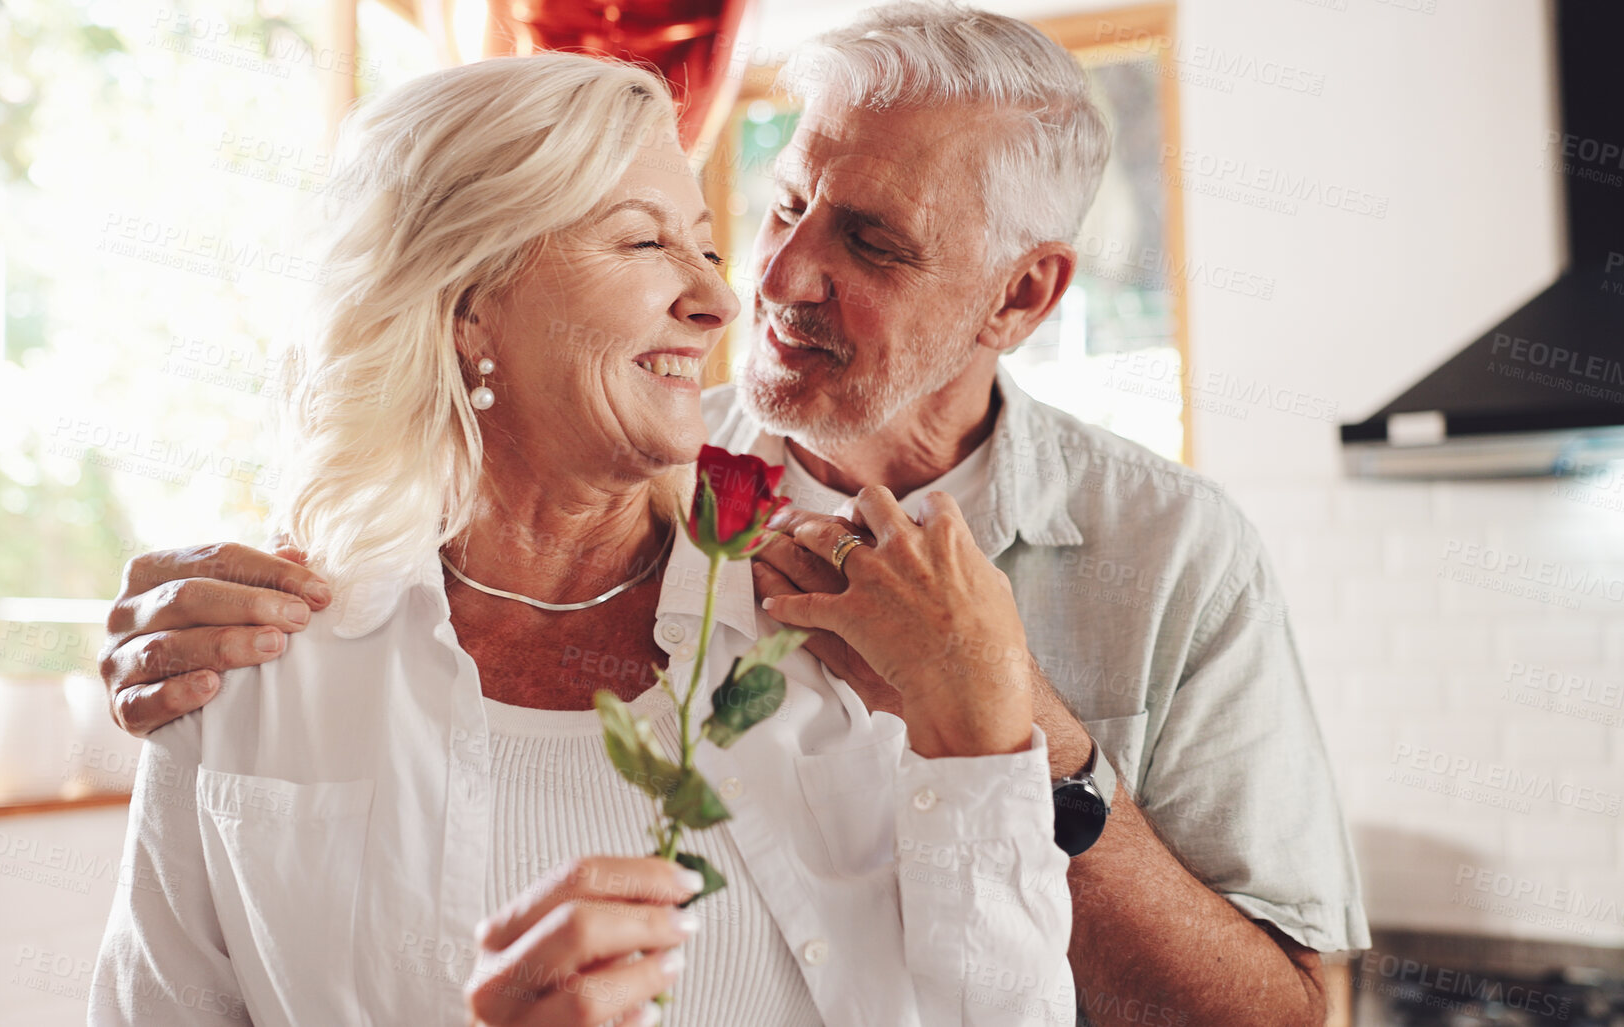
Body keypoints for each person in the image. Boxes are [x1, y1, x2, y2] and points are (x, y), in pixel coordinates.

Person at [100, 3, 1370, 1024]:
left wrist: (1016, 730)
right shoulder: (627, 474)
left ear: (1022, 296)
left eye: (873, 241)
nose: (765, 280)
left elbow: (1275, 1015)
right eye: (773, 210)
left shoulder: (1172, 557)